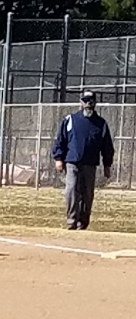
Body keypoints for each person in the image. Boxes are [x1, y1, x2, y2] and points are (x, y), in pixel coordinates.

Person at [51, 90, 115, 230]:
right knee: (72, 189)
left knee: (87, 193)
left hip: (90, 163)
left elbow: (107, 146)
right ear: (81, 102)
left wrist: (107, 164)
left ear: (95, 103)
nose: (88, 104)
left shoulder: (101, 124)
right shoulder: (70, 120)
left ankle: (83, 222)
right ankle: (71, 219)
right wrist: (58, 158)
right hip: (72, 161)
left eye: (90, 101)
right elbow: (61, 140)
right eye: (85, 101)